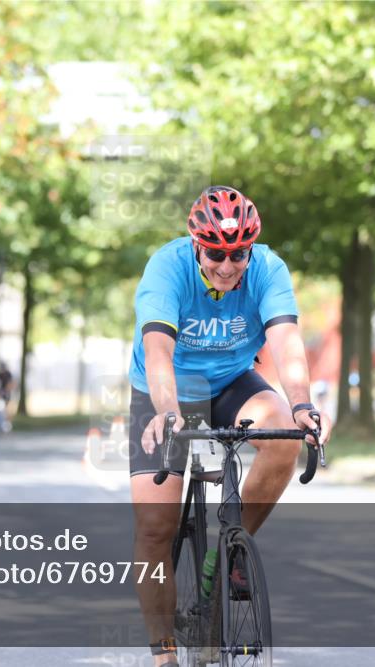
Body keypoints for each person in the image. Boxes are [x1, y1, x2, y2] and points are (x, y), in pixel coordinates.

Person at [128, 185, 334, 665]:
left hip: (232, 379)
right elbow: (158, 348)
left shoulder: (268, 269)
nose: (226, 265)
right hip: (168, 388)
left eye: (237, 253)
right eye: (216, 253)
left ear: (251, 248)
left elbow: (285, 342)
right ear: (196, 245)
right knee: (155, 527)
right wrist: (166, 409)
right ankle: (164, 653)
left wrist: (302, 405)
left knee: (281, 432)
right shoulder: (168, 267)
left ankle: (226, 554)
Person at [0, 361, 14, 434]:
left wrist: (6, 392)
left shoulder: (8, 374)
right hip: (0, 395)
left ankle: (7, 426)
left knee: (7, 411)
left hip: (6, 394)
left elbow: (10, 385)